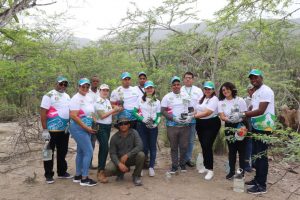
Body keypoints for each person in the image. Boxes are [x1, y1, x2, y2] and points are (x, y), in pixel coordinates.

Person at [233, 69, 275, 194]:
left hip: (265, 127)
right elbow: (252, 107)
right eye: (251, 78)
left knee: (261, 156)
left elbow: (261, 110)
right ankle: (257, 179)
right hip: (256, 126)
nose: (254, 80)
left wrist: (243, 114)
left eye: (256, 77)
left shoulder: (266, 90)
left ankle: (261, 186)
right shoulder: (256, 92)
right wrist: (241, 115)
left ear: (261, 77)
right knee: (256, 155)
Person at [40, 75, 72, 184]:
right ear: (56, 83)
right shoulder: (49, 95)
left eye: (65, 84)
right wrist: (44, 130)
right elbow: (43, 113)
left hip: (64, 129)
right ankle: (48, 175)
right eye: (61, 83)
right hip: (50, 130)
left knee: (62, 152)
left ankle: (62, 172)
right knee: (48, 152)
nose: (63, 86)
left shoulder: (67, 96)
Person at [161, 76, 193, 174]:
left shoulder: (186, 95)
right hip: (172, 126)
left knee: (184, 146)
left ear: (180, 85)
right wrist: (173, 118)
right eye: (174, 85)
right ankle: (174, 166)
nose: (176, 86)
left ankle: (182, 164)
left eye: (178, 84)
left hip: (185, 126)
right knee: (174, 147)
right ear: (172, 86)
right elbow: (163, 111)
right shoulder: (167, 97)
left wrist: (189, 117)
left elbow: (191, 108)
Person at [69, 78, 97, 187]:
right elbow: (73, 116)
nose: (85, 88)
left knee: (81, 151)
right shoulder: (76, 98)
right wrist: (86, 127)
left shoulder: (88, 97)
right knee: (89, 151)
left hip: (87, 127)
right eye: (82, 86)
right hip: (78, 128)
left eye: (87, 86)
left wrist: (95, 121)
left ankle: (78, 175)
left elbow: (91, 113)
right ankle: (84, 179)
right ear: (78, 87)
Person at [218, 82, 248, 180]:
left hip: (241, 126)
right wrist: (228, 119)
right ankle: (231, 172)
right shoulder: (221, 102)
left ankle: (241, 173)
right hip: (229, 127)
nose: (225, 91)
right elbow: (222, 116)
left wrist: (239, 116)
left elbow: (245, 114)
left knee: (241, 151)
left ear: (232, 89)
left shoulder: (240, 100)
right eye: (223, 90)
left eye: (227, 89)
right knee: (232, 150)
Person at [94, 84, 122, 183]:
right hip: (100, 126)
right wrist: (113, 110)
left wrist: (117, 111)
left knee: (104, 147)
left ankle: (101, 169)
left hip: (107, 126)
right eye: (103, 90)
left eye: (107, 90)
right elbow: (102, 116)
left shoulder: (106, 101)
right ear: (99, 91)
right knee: (105, 147)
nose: (105, 92)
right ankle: (100, 172)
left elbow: (109, 114)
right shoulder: (97, 101)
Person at [105, 117, 145, 186]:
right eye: (121, 124)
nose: (123, 126)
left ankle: (136, 176)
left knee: (141, 155)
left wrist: (127, 155)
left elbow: (140, 146)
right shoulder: (114, 137)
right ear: (118, 126)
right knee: (108, 170)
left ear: (129, 125)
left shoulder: (134, 133)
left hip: (131, 158)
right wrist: (119, 164)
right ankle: (120, 173)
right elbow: (112, 153)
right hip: (120, 159)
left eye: (125, 123)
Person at [133, 81, 161, 177]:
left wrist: (156, 123)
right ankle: (140, 167)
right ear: (144, 89)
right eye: (147, 88)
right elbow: (134, 112)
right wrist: (142, 119)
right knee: (143, 147)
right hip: (142, 126)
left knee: (152, 146)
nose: (149, 89)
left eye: (151, 88)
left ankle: (151, 167)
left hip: (153, 126)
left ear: (153, 89)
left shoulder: (157, 101)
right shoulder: (140, 99)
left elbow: (159, 115)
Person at [194, 81, 221, 180]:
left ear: (213, 90)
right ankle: (206, 166)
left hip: (211, 123)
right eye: (205, 89)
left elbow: (207, 112)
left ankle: (210, 169)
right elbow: (197, 109)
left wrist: (194, 116)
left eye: (209, 89)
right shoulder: (202, 98)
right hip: (200, 123)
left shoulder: (214, 99)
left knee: (207, 144)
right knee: (203, 145)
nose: (207, 90)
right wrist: (194, 114)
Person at [180, 72, 203, 167]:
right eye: (186, 78)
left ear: (193, 79)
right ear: (183, 79)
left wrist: (195, 113)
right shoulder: (180, 89)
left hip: (193, 117)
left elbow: (201, 104)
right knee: (182, 140)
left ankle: (187, 159)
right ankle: (181, 159)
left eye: (190, 78)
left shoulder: (198, 90)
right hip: (182, 118)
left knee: (190, 140)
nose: (188, 79)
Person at [86, 75, 100, 170]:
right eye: (93, 81)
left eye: (97, 81)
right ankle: (88, 163)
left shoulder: (101, 92)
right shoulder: (87, 92)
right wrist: (94, 118)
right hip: (89, 120)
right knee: (89, 142)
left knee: (96, 142)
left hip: (99, 120)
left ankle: (99, 164)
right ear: (91, 82)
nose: (95, 82)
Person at [244, 84, 255, 172]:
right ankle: (247, 164)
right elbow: (244, 113)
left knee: (256, 144)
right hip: (248, 124)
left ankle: (255, 163)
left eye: (254, 89)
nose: (252, 91)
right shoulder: (245, 100)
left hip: (258, 124)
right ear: (248, 91)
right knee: (249, 145)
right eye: (251, 90)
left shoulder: (259, 98)